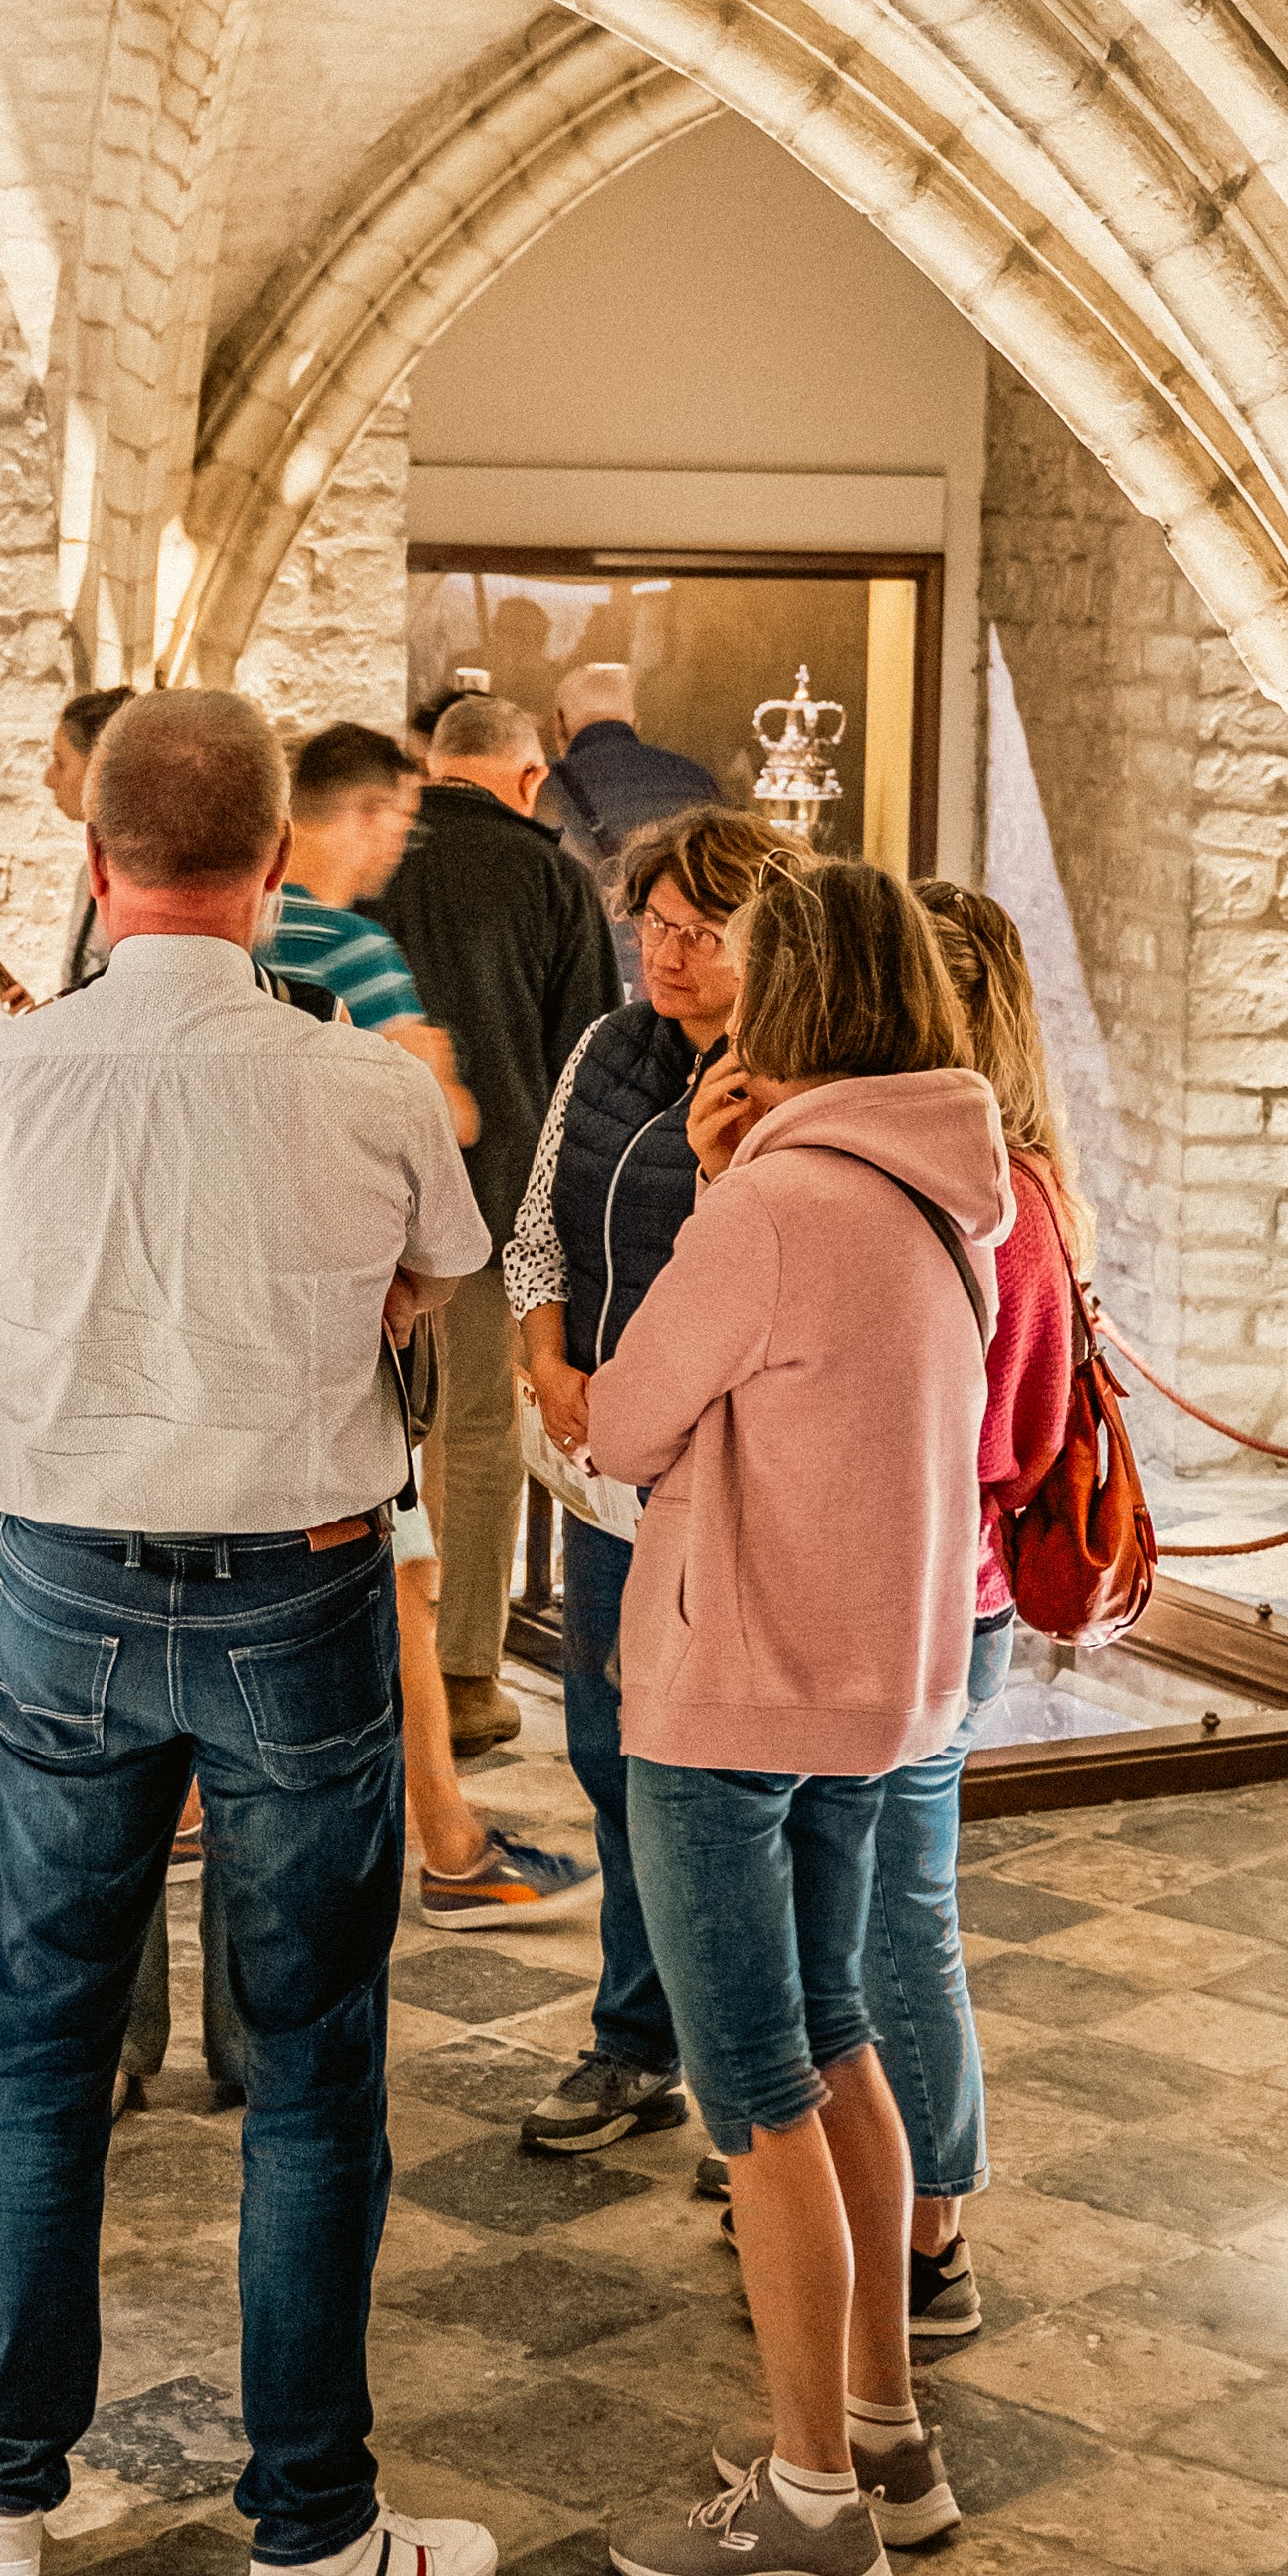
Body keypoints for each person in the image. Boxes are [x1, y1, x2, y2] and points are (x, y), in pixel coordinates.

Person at [0, 689, 502, 2576]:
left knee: (42, 2040)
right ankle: (304, 2538)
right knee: (310, 2062)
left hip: (64, 1587)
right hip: (294, 1591)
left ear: (91, 864)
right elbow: (435, 1269)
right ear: (264, 871)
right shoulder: (357, 1081)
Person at [587, 859, 1007, 2576]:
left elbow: (618, 1420)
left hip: (729, 1688)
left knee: (751, 2089)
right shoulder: (951, 1181)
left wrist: (710, 1191)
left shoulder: (773, 1204)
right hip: (868, 1684)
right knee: (840, 2039)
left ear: (800, 1001)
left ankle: (808, 2505)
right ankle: (884, 2436)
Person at [503, 806, 799, 2156]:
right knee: (604, 1746)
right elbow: (533, 1225)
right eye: (651, 924)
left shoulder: (790, 1080)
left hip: (715, 1473)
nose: (662, 953)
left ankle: (754, 2077)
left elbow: (761, 1273)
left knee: (710, 1774)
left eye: (696, 929)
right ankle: (638, 2040)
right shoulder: (607, 1045)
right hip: (597, 1456)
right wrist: (549, 1367)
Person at [273, 724, 589, 1928]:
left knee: (380, 1557)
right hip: (363, 1299)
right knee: (405, 1541)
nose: (397, 845)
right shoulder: (347, 944)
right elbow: (440, 1113)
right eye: (388, 823)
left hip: (244, 1322)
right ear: (348, 816)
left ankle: (440, 1828)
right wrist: (436, 1081)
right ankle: (444, 1835)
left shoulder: (201, 939)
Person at [886, 881, 1081, 2347]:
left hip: (926, 1594)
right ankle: (861, 2173)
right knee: (865, 1906)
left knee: (898, 1916)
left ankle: (931, 2221)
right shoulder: (991, 1175)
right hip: (928, 1593)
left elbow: (1002, 1436)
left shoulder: (988, 1193)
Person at [370, 690, 621, 1752]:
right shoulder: (553, 877)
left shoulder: (365, 857)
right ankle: (461, 1675)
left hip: (355, 1203)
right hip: (489, 1204)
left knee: (362, 1435)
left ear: (435, 765)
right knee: (472, 1435)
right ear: (527, 780)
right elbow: (587, 1063)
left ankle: (365, 1672)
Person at [0, 680, 135, 1013]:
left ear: (99, 768)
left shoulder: (143, 877)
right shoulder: (90, 870)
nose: (48, 777)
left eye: (60, 761)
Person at [544, 661, 719, 908]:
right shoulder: (696, 777)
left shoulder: (542, 786)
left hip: (591, 936)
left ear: (559, 723)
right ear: (635, 721)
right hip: (676, 935)